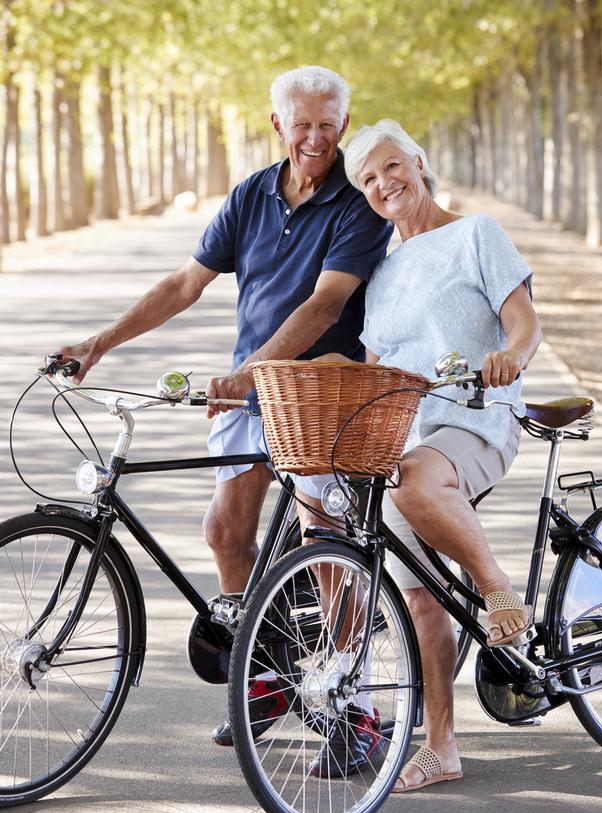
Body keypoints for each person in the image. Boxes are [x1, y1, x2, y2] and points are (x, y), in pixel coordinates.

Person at [52, 68, 392, 756]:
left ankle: (354, 709)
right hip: (250, 390)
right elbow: (185, 283)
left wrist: (247, 373)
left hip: (318, 394)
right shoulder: (252, 195)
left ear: (345, 126)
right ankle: (266, 678)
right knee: (223, 531)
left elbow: (325, 305)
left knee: (321, 543)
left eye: (329, 124)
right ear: (278, 126)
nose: (315, 138)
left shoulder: (356, 205)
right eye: (302, 124)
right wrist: (100, 343)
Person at [343, 119, 542, 792]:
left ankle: (496, 590)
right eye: (369, 179)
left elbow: (524, 319)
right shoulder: (381, 273)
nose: (383, 183)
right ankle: (443, 747)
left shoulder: (475, 233)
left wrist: (510, 356)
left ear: (420, 162)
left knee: (415, 478)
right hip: (407, 438)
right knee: (421, 595)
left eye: (391, 166)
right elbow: (373, 364)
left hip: (477, 418)